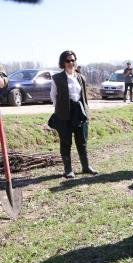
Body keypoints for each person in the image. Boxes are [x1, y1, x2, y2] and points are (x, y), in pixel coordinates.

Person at [50, 50, 98, 179]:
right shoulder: (57, 78)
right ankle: (68, 170)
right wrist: (60, 109)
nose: (71, 63)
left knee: (82, 141)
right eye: (68, 61)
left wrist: (86, 112)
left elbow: (83, 97)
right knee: (66, 142)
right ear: (63, 62)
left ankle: (86, 166)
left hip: (79, 112)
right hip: (64, 114)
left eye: (73, 60)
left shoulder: (80, 77)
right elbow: (53, 95)